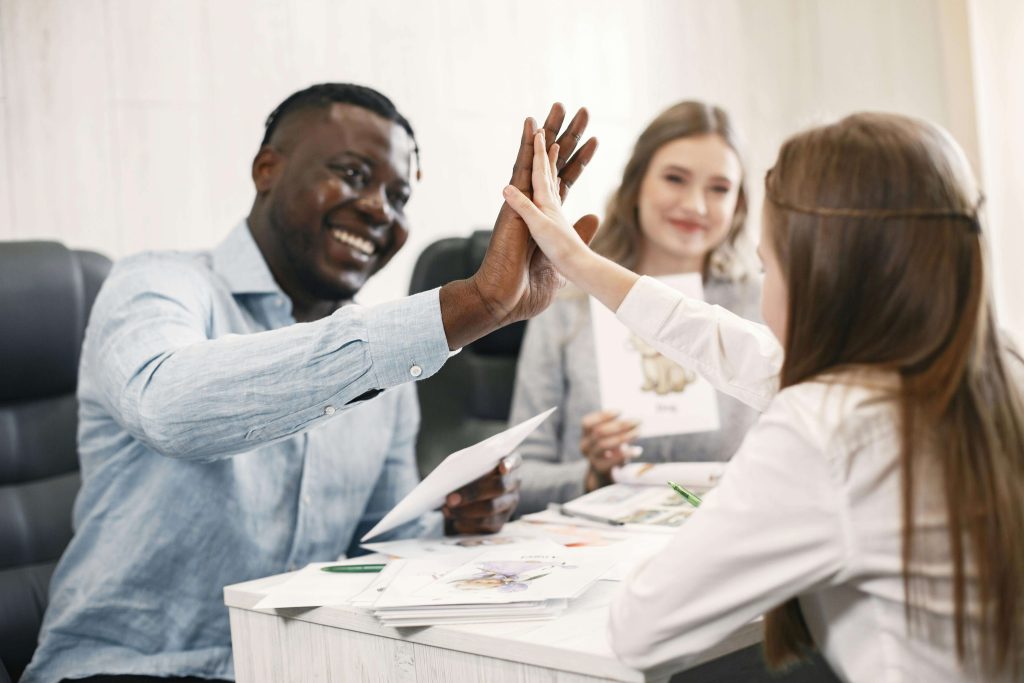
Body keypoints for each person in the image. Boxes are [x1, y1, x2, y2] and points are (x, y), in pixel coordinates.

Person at [22, 83, 599, 683]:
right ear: (267, 170)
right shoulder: (156, 284)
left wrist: (455, 518)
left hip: (295, 667)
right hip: (129, 669)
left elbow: (380, 545)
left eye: (398, 197)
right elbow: (168, 407)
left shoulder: (392, 360)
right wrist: (470, 306)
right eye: (353, 174)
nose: (379, 209)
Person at [502, 114, 1024, 681]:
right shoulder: (995, 367)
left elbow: (639, 628)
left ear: (818, 276)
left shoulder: (826, 428)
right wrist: (579, 261)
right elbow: (741, 351)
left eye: (766, 266)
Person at [509, 101, 761, 514]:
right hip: (591, 537)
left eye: (719, 188)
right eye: (675, 179)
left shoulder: (761, 303)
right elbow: (516, 478)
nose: (696, 205)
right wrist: (592, 475)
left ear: (739, 204)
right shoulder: (566, 300)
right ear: (636, 184)